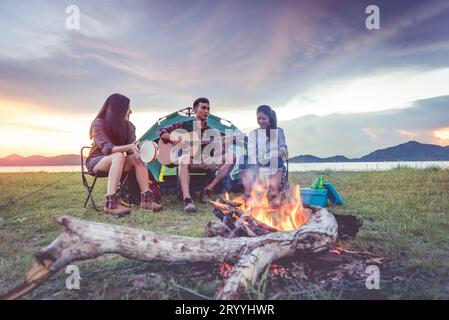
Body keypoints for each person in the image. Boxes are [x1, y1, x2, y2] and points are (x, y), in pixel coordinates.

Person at [86, 93, 163, 216]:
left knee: (137, 158)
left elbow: (131, 150)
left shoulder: (130, 127)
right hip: (97, 161)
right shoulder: (98, 123)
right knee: (118, 155)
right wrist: (129, 147)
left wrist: (146, 153)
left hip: (118, 162)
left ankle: (147, 200)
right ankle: (110, 203)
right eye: (128, 108)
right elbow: (108, 149)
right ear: (118, 109)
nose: (131, 111)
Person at [157, 97, 236, 213]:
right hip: (188, 162)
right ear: (195, 110)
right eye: (203, 108)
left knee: (232, 157)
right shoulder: (184, 124)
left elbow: (218, 154)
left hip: (205, 162)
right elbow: (161, 131)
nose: (206, 111)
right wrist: (173, 138)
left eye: (208, 109)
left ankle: (208, 189)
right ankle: (187, 199)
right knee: (184, 158)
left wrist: (225, 144)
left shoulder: (212, 131)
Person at [239, 105, 288, 205]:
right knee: (243, 159)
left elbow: (283, 147)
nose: (261, 121)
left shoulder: (278, 131)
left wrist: (281, 151)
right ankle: (248, 194)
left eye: (263, 118)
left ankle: (274, 195)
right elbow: (251, 151)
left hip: (273, 160)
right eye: (259, 118)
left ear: (269, 118)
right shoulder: (254, 133)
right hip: (258, 161)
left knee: (276, 158)